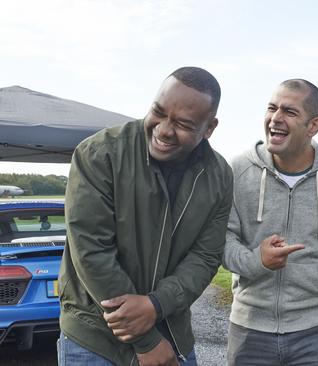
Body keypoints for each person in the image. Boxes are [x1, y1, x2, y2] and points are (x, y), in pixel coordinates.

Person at [58, 67, 233, 366]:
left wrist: (155, 304)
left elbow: (205, 256)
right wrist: (147, 341)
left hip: (173, 336)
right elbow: (92, 253)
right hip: (94, 339)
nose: (164, 129)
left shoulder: (218, 175)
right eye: (158, 111)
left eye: (182, 123)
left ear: (209, 128)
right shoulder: (99, 154)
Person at [223, 79, 318, 365]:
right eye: (271, 108)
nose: (275, 118)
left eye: (289, 112)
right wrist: (259, 261)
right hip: (249, 329)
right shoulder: (238, 171)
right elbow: (221, 242)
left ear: (314, 126)